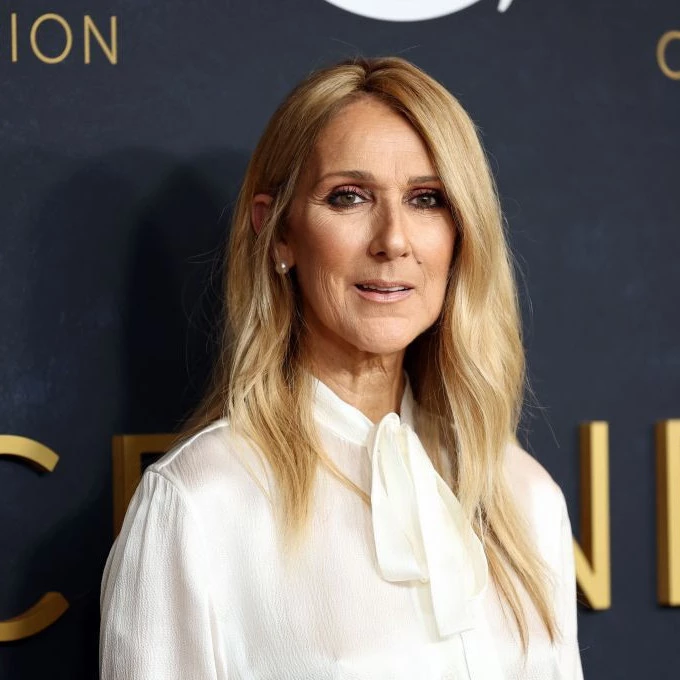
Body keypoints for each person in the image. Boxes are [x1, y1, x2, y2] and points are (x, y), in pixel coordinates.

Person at [99, 56, 584, 679]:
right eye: (348, 197)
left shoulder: (524, 496)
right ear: (278, 233)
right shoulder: (200, 504)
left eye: (427, 199)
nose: (393, 240)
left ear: (461, 233)